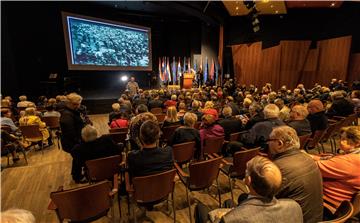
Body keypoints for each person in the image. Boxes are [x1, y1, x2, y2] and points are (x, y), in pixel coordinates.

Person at [194, 156, 303, 223]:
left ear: (248, 180)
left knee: (200, 209)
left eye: (246, 172)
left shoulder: (231, 220)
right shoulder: (294, 206)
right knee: (229, 202)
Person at [268, 126, 323, 223]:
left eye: (270, 140)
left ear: (279, 143)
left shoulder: (277, 168)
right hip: (315, 217)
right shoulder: (307, 158)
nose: (268, 143)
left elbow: (262, 200)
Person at [310, 126, 360, 207]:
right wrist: (310, 156)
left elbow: (311, 167)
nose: (340, 141)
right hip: (342, 201)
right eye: (340, 138)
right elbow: (330, 160)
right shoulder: (354, 156)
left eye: (344, 139)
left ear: (357, 143)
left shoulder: (349, 161)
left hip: (327, 203)